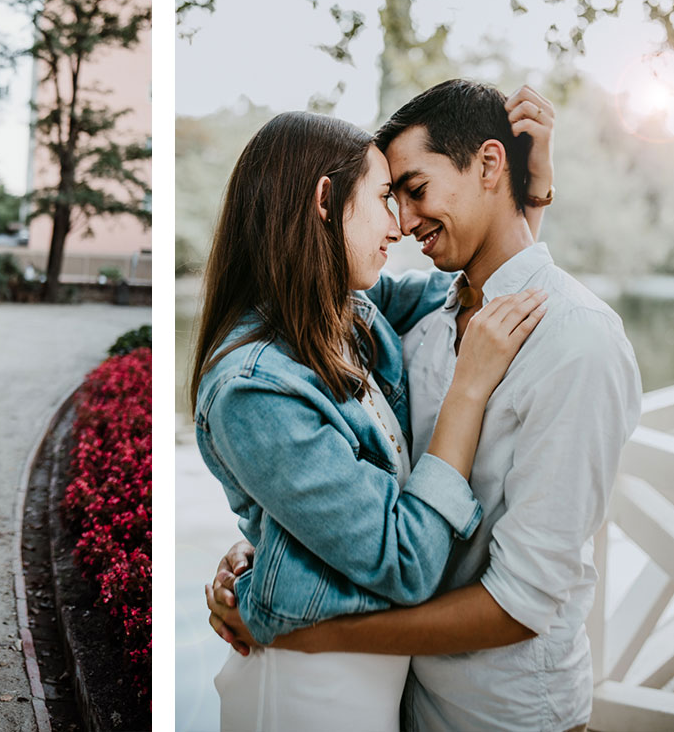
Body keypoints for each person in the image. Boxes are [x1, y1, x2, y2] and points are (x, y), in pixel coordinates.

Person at [206, 80, 642, 732]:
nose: (403, 223)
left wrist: (305, 624)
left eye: (411, 189)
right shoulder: (416, 320)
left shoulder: (578, 341)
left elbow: (522, 601)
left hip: (502, 714)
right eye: (387, 197)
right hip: (400, 698)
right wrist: (268, 549)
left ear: (490, 165)